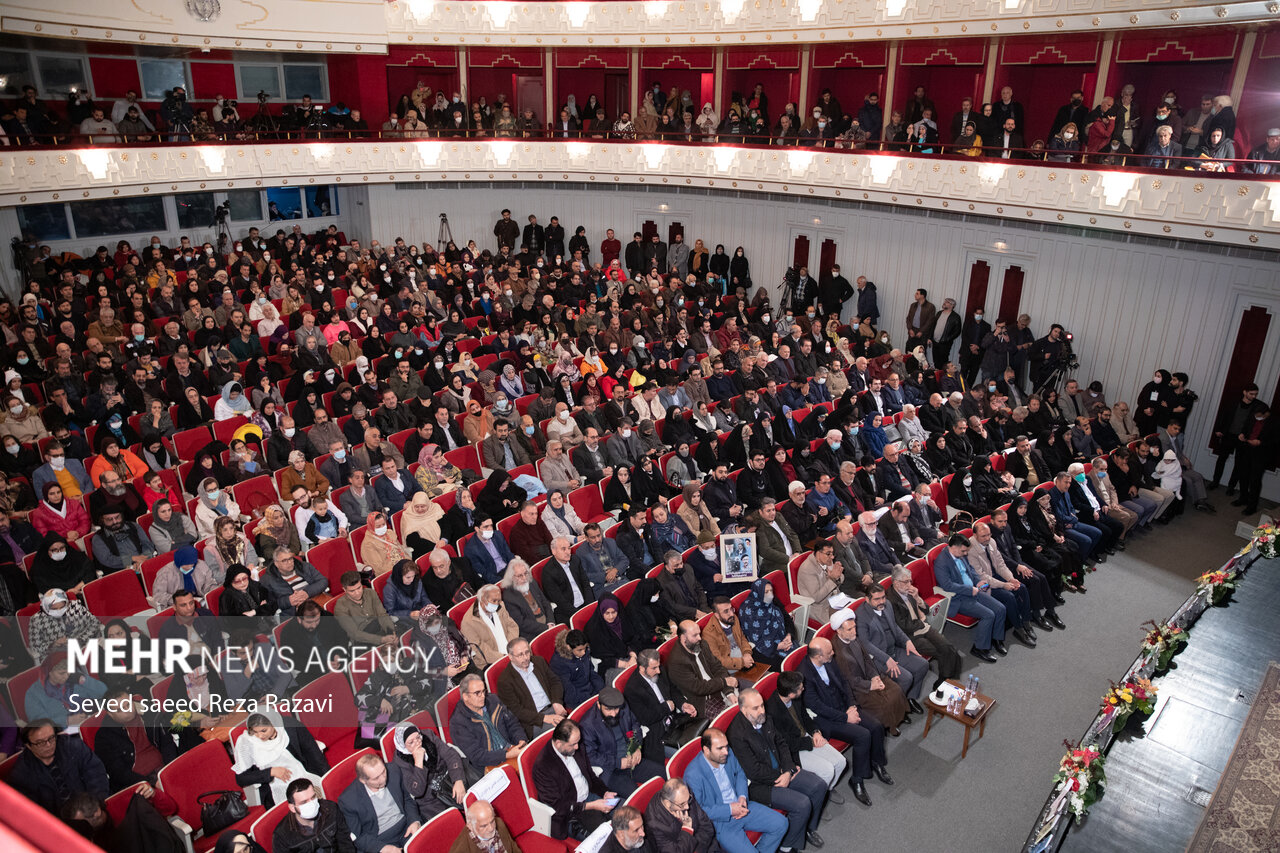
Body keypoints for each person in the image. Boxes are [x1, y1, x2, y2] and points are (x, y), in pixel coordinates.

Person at [726, 688, 828, 852]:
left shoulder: (765, 718)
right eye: (756, 708)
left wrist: (788, 769)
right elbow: (753, 771)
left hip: (782, 770)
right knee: (802, 804)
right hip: (760, 785)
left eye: (762, 706)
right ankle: (787, 845)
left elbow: (781, 743)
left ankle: (806, 828)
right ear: (744, 710)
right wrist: (783, 774)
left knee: (819, 786)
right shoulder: (736, 735)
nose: (761, 711)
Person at [797, 638, 891, 806]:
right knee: (863, 735)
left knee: (876, 727)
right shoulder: (803, 675)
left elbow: (844, 683)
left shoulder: (829, 661)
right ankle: (857, 780)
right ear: (818, 656)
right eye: (829, 652)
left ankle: (876, 762)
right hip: (826, 719)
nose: (833, 653)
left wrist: (851, 706)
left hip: (844, 708)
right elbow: (817, 706)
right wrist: (845, 718)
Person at [683, 727, 788, 853]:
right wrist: (730, 809)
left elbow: (740, 773)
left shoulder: (727, 753)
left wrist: (742, 796)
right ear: (706, 750)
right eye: (720, 748)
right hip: (721, 822)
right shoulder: (693, 774)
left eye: (726, 746)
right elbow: (699, 811)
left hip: (742, 805)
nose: (726, 752)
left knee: (781, 824)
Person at [533, 719, 617, 840]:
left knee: (626, 815)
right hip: (570, 813)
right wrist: (591, 805)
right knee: (609, 838)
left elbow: (590, 776)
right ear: (558, 743)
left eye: (578, 742)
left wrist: (604, 792)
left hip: (589, 797)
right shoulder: (543, 766)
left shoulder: (575, 746)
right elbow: (559, 806)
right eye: (573, 744)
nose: (577, 747)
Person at [932, 533, 1007, 662]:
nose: (966, 553)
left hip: (974, 590)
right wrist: (969, 589)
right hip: (959, 597)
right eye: (964, 550)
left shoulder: (960, 554)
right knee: (989, 615)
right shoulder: (941, 562)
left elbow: (970, 570)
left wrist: (978, 581)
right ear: (954, 547)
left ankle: (996, 639)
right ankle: (979, 648)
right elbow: (947, 585)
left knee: (1000, 608)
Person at [580, 686, 666, 798]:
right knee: (637, 796)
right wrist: (618, 762)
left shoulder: (623, 707)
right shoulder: (588, 725)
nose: (614, 714)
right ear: (598, 705)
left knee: (664, 774)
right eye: (608, 709)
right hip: (611, 770)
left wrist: (635, 746)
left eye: (616, 709)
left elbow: (634, 727)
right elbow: (590, 756)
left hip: (631, 759)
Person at [231, 710, 328, 810]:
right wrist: (270, 772)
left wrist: (326, 780)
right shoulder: (247, 742)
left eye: (264, 730)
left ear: (274, 723)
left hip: (303, 776)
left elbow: (313, 753)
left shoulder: (290, 727)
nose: (260, 736)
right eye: (255, 732)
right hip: (273, 790)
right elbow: (241, 779)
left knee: (318, 804)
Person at [855, 585, 932, 710]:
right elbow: (865, 643)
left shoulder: (888, 605)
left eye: (883, 597)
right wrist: (886, 659)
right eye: (877, 599)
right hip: (878, 658)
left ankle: (909, 699)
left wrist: (907, 641)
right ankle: (899, 708)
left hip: (893, 649)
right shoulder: (861, 616)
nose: (881, 602)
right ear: (867, 599)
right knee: (906, 678)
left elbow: (895, 627)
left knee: (923, 665)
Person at [11, 721, 110, 814]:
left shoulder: (72, 746)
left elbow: (96, 774)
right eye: (40, 742)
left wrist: (95, 805)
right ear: (28, 746)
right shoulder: (21, 773)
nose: (48, 745)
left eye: (51, 738)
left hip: (91, 806)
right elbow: (33, 811)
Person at [886, 566, 960, 689]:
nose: (909, 584)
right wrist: (922, 621)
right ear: (895, 582)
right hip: (909, 636)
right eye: (906, 582)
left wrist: (917, 598)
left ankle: (945, 679)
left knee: (949, 648)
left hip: (921, 627)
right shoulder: (890, 600)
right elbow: (903, 627)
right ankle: (942, 684)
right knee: (941, 651)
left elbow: (925, 610)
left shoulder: (909, 591)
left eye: (910, 581)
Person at [336, 753, 421, 853]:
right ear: (363, 780)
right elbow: (357, 836)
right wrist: (381, 848)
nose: (383, 779)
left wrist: (414, 821)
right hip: (379, 840)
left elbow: (407, 800)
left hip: (406, 826)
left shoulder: (393, 770)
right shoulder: (348, 800)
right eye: (376, 778)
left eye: (383, 771)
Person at [449, 674, 528, 778]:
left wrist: (521, 740)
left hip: (512, 749)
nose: (483, 696)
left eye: (484, 691)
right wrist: (507, 755)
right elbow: (476, 756)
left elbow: (512, 723)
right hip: (490, 765)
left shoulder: (493, 701)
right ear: (465, 697)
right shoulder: (458, 722)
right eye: (478, 693)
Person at [388, 721, 467, 821]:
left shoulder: (428, 736)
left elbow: (450, 754)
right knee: (451, 821)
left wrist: (458, 779)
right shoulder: (399, 761)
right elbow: (417, 791)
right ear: (403, 745)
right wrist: (419, 763)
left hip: (448, 777)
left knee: (474, 800)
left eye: (417, 737)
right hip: (430, 797)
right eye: (411, 742)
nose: (417, 743)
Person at [496, 636, 567, 739]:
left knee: (572, 728)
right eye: (520, 655)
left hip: (552, 707)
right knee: (564, 733)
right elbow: (517, 711)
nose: (525, 658)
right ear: (510, 657)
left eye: (527, 652)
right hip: (533, 721)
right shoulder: (505, 681)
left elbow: (555, 682)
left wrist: (557, 702)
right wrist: (544, 718)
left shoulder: (538, 661)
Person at [668, 619, 739, 719]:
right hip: (702, 701)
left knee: (745, 706)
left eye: (699, 634)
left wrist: (729, 692)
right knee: (730, 719)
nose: (700, 638)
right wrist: (724, 682)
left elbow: (717, 667)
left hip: (718, 687)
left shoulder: (701, 644)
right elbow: (699, 688)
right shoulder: (676, 662)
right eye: (695, 635)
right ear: (683, 638)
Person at [272, 778, 357, 853]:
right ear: (292, 808)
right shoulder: (282, 835)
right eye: (304, 802)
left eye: (313, 797)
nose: (311, 804)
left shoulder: (331, 809)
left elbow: (345, 841)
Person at [644, 778, 722, 853]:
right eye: (682, 804)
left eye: (688, 801)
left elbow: (707, 827)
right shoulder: (654, 824)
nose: (687, 807)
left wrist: (697, 850)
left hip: (706, 846)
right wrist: (687, 830)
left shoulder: (685, 796)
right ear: (668, 804)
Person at [334, 571, 397, 647]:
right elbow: (354, 634)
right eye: (352, 591)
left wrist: (390, 632)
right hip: (363, 639)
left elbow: (382, 615)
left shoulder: (370, 593)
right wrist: (381, 640)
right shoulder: (340, 606)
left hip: (380, 627)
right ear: (344, 589)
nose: (357, 593)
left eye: (359, 588)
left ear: (361, 583)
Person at [449, 800, 520, 853]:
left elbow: (514, 849)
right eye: (484, 826)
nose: (491, 828)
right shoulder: (461, 849)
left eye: (492, 821)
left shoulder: (499, 824)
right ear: (470, 826)